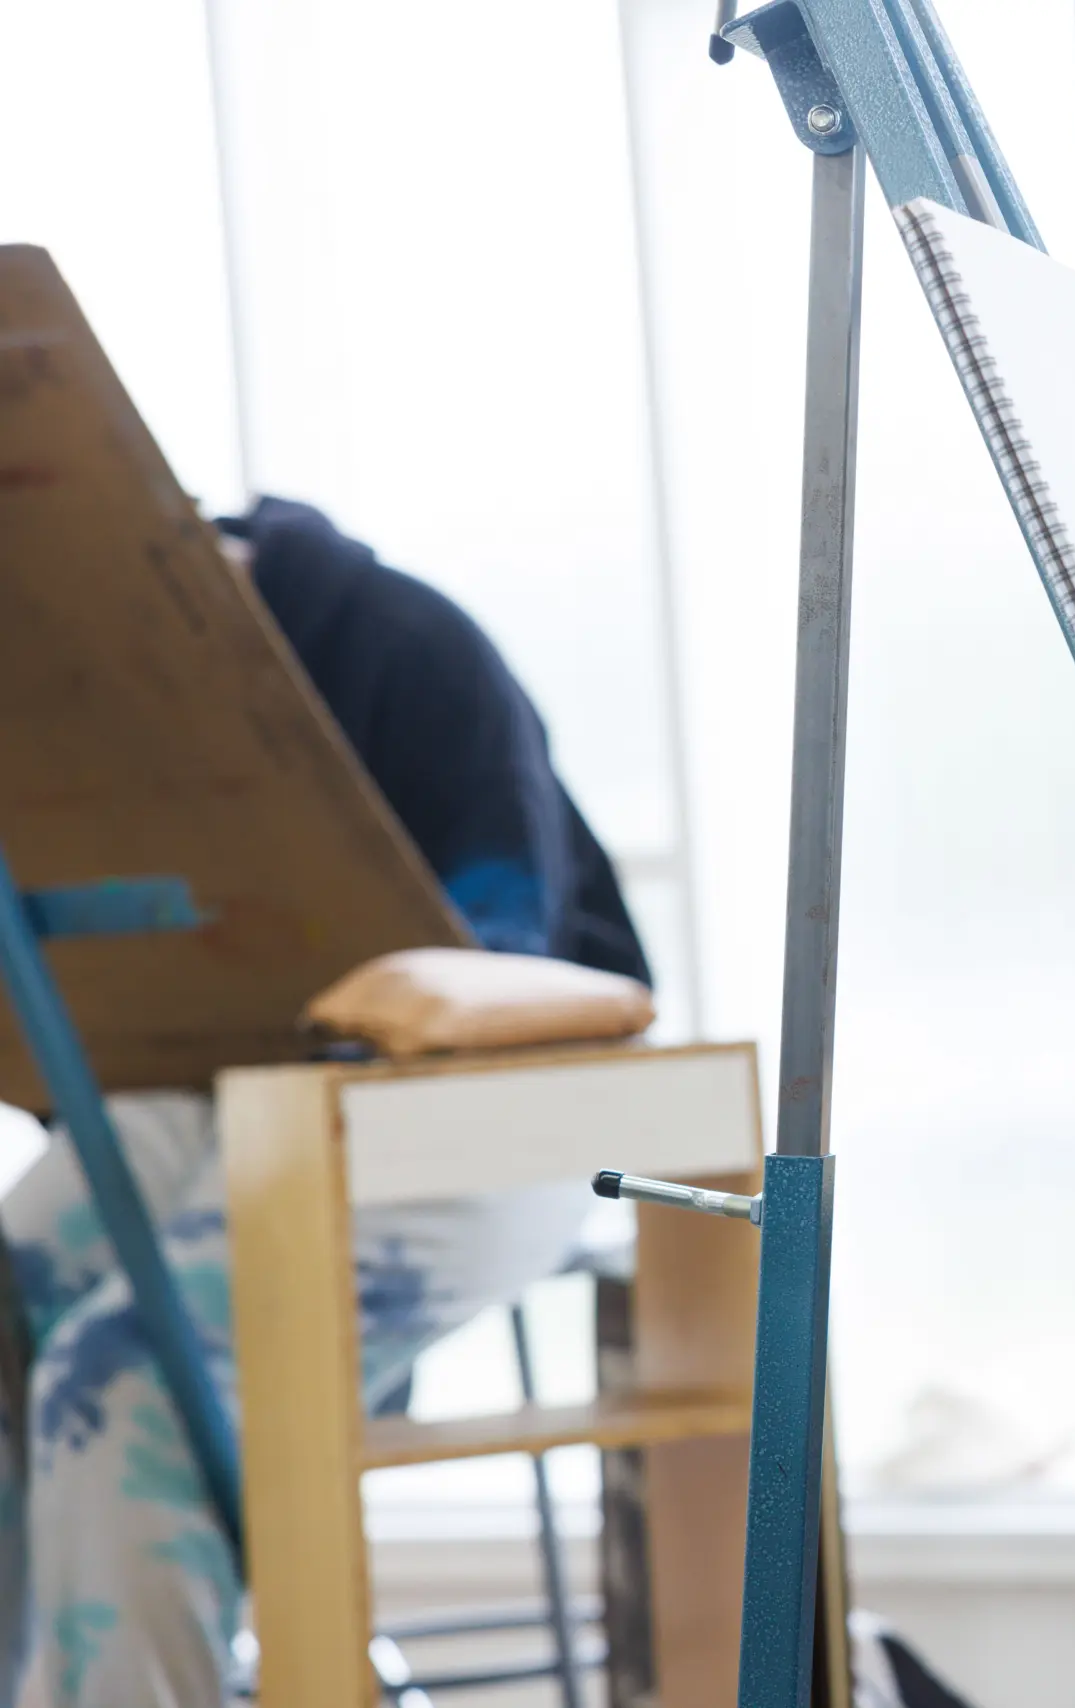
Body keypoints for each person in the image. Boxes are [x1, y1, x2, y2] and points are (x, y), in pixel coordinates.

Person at [0, 499, 644, 1705]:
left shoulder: (405, 644)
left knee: (128, 1371)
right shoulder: (76, 696)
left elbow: (500, 953)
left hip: (495, 1093)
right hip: (211, 1087)